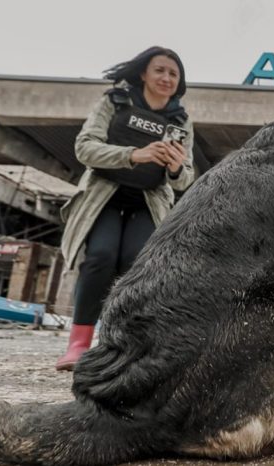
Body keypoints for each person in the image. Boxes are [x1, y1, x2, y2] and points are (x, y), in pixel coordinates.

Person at [55, 46, 196, 371]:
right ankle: (78, 344)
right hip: (105, 197)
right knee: (100, 257)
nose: (166, 77)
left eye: (173, 73)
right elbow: (84, 148)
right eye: (159, 70)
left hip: (148, 202)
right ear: (143, 73)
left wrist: (176, 168)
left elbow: (184, 179)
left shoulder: (181, 121)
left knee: (135, 267)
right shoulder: (114, 102)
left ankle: (119, 345)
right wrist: (135, 154)